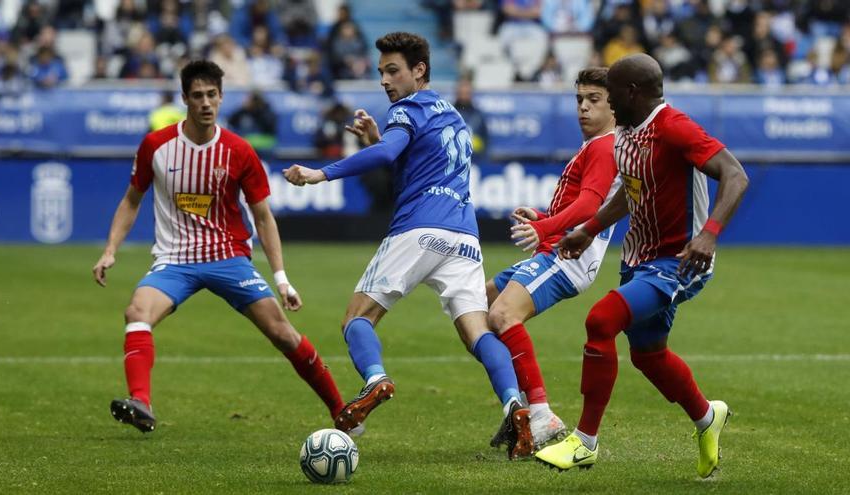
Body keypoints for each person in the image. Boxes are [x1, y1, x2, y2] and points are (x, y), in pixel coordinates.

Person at [283, 32, 534, 460]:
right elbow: (410, 170)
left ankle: (375, 379)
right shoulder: (454, 116)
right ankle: (515, 404)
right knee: (477, 331)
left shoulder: (408, 108)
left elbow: (387, 159)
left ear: (419, 70)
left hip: (419, 229)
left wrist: (319, 174)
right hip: (464, 236)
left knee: (356, 319)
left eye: (393, 70)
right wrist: (378, 140)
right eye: (381, 71)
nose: (385, 79)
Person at [92, 60, 347, 434]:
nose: (206, 103)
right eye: (197, 96)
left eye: (212, 95)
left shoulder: (239, 151)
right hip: (175, 259)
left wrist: (281, 278)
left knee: (282, 332)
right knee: (136, 312)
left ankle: (341, 411)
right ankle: (141, 403)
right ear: (184, 99)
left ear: (222, 97)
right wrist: (110, 248)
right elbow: (132, 200)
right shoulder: (156, 146)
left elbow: (263, 218)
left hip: (229, 258)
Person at [535, 54, 749, 477]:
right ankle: (708, 418)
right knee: (648, 355)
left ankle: (584, 442)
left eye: (612, 91)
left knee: (601, 320)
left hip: (679, 261)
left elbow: (735, 174)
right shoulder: (628, 133)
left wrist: (708, 234)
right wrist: (589, 229)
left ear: (632, 92)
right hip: (639, 258)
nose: (608, 100)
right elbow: (628, 193)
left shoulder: (674, 127)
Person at [486, 67, 619, 450]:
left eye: (593, 100)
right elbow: (582, 204)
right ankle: (518, 408)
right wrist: (543, 218)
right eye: (579, 99)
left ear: (614, 105)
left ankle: (540, 414)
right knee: (478, 308)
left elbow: (591, 205)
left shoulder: (604, 146)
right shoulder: (594, 145)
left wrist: (544, 230)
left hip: (567, 257)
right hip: (556, 248)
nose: (583, 107)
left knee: (501, 315)